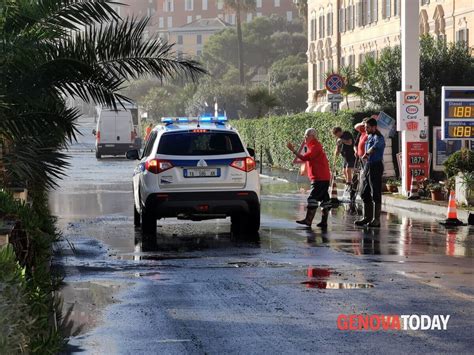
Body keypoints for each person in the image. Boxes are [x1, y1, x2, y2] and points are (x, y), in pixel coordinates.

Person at [287, 128, 331, 228]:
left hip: (319, 177)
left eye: (307, 135)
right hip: (322, 176)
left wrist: (293, 150)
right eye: (305, 135)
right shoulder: (314, 145)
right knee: (325, 200)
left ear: (313, 136)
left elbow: (305, 158)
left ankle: (308, 220)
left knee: (312, 198)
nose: (305, 137)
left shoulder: (315, 146)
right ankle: (323, 222)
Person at [355, 118, 385, 228]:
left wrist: (367, 154)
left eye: (367, 127)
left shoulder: (379, 137)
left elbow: (374, 147)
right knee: (363, 191)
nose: (365, 129)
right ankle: (367, 217)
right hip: (367, 165)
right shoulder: (369, 136)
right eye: (365, 127)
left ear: (374, 127)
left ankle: (376, 219)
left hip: (376, 165)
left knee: (375, 192)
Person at [332, 127, 355, 191]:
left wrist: (342, 140)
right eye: (336, 135)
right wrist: (335, 158)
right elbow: (337, 149)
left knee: (348, 169)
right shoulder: (338, 139)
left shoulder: (346, 134)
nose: (337, 136)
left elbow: (350, 142)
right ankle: (348, 182)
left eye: (337, 134)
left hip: (351, 155)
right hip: (345, 156)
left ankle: (350, 183)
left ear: (340, 131)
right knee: (344, 171)